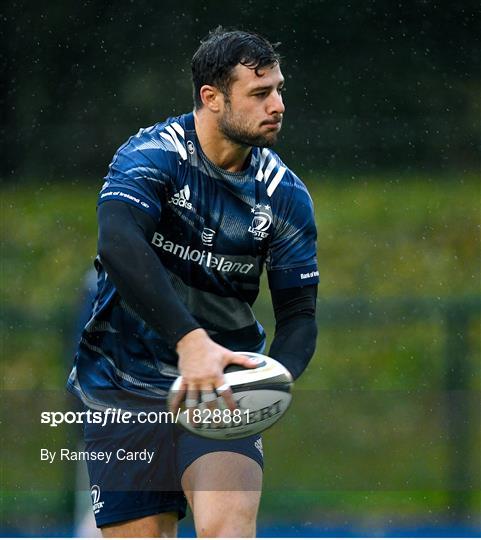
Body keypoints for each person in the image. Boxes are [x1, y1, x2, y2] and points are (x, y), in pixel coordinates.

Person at [67, 26, 319, 538]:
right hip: (123, 386)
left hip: (220, 391)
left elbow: (299, 316)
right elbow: (118, 245)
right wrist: (190, 341)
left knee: (227, 529)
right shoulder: (153, 156)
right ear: (212, 97)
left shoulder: (285, 196)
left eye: (278, 89)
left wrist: (274, 380)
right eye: (260, 93)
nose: (278, 105)